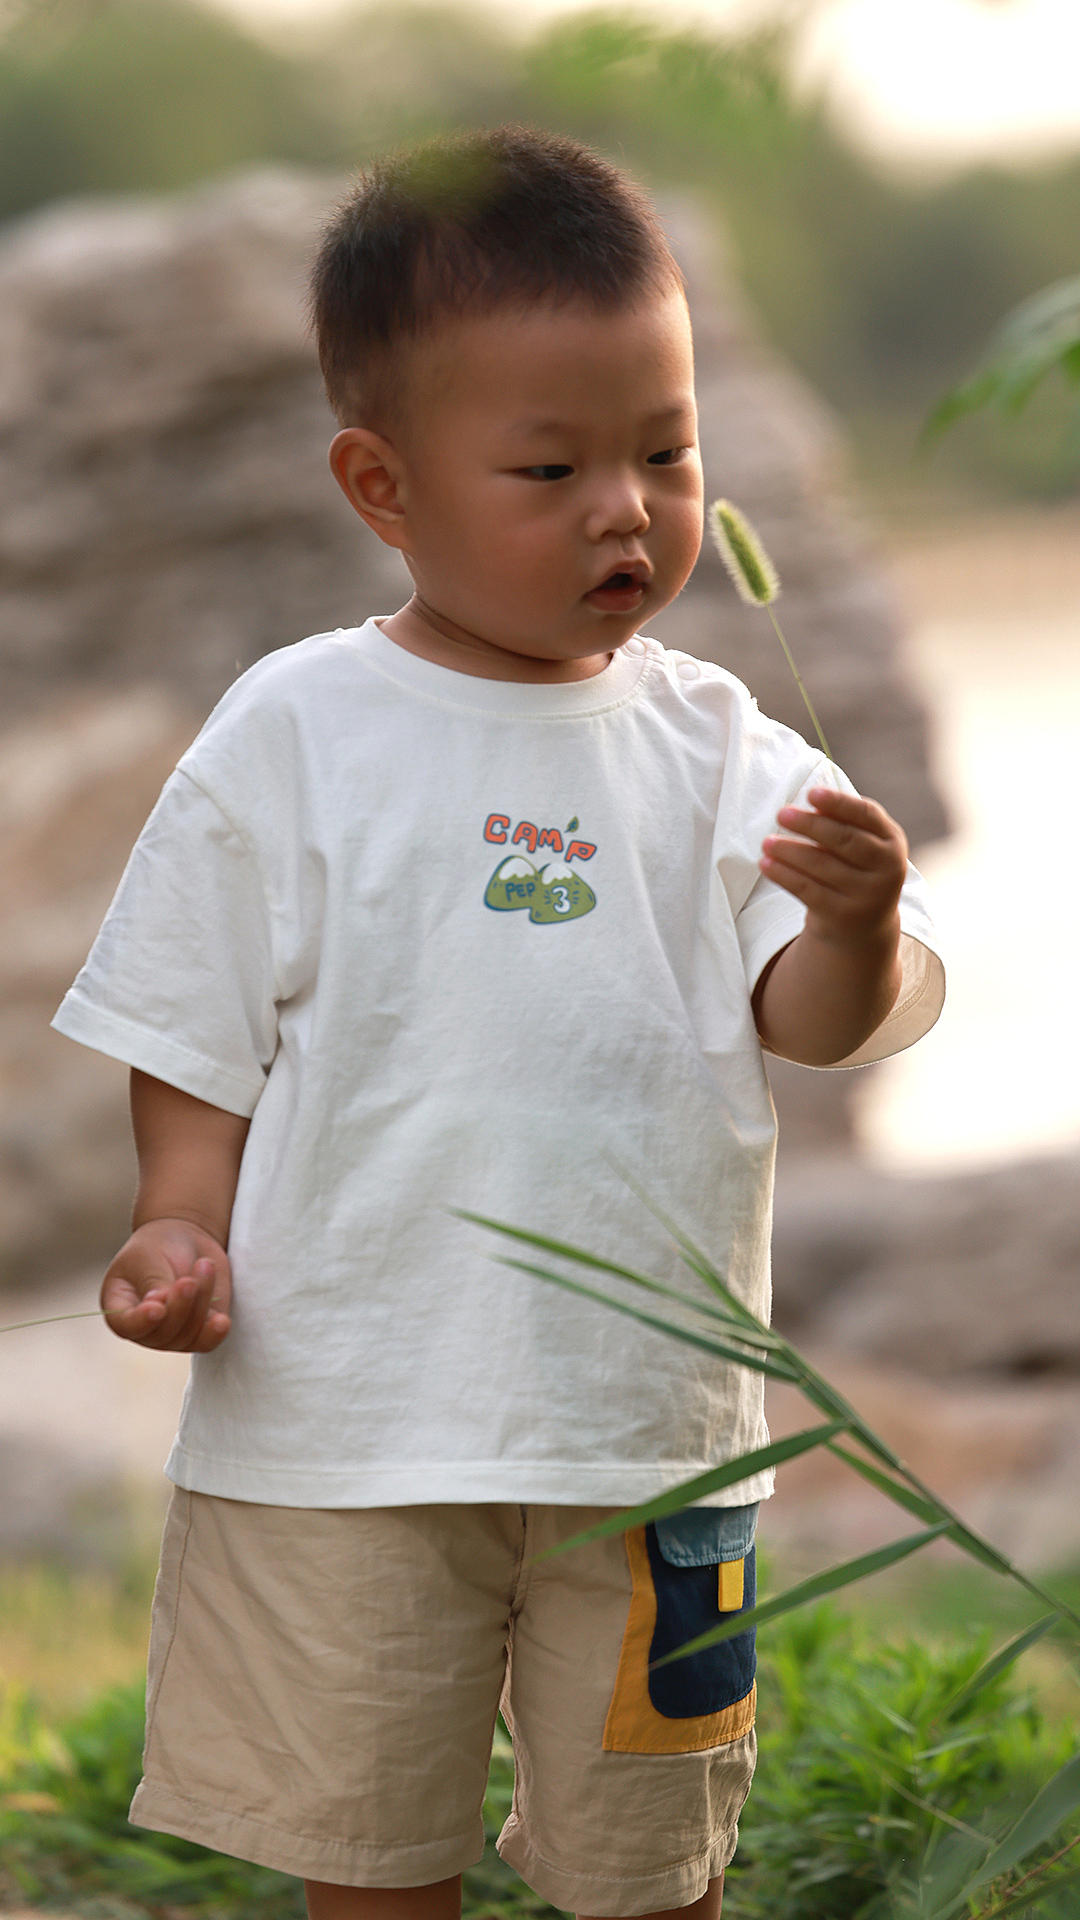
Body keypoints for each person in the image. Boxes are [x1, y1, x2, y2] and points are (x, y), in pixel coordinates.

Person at [52, 127, 943, 1920]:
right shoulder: (298, 726)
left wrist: (850, 924)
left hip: (657, 1435)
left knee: (653, 1862)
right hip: (351, 1422)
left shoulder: (722, 748)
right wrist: (175, 1212)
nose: (627, 505)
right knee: (365, 1852)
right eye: (550, 466)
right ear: (381, 484)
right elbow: (194, 1012)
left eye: (668, 451)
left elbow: (821, 1025)